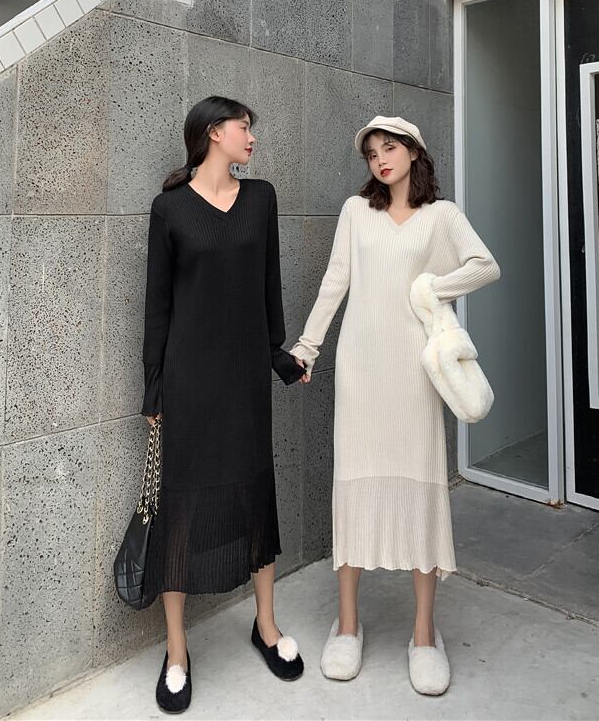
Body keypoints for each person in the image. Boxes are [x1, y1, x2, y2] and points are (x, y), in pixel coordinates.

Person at [290, 115, 500, 696]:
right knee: (354, 484)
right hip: (360, 368)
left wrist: (432, 288)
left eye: (389, 148)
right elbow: (336, 280)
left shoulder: (442, 215)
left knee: (421, 484)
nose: (380, 159)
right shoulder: (356, 211)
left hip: (413, 373)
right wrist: (307, 346)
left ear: (413, 152)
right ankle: (347, 625)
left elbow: (486, 265)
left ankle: (424, 635)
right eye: (371, 153)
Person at [140, 96, 307, 714]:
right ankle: (176, 651)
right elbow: (158, 305)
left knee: (253, 492)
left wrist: (277, 355)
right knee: (181, 509)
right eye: (244, 128)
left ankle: (266, 625)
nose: (252, 138)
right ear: (214, 133)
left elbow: (269, 284)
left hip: (244, 380)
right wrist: (154, 386)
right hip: (189, 383)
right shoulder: (170, 209)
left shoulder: (261, 198)